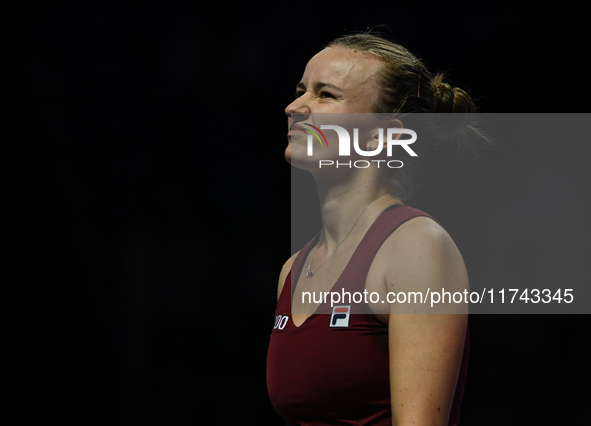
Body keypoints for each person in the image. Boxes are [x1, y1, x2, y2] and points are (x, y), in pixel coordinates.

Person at [267, 32, 482, 426]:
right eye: (300, 91)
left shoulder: (417, 248)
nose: (295, 107)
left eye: (325, 95)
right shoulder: (293, 269)